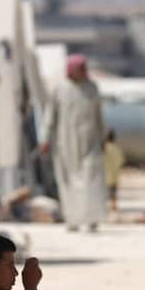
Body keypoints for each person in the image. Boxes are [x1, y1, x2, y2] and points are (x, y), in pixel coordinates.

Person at [39, 54, 107, 232]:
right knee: (68, 182)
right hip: (65, 144)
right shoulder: (59, 89)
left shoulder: (92, 88)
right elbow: (49, 116)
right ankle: (73, 220)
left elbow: (99, 116)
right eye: (80, 69)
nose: (84, 72)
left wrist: (103, 138)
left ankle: (92, 219)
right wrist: (45, 139)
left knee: (92, 181)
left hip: (90, 143)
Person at [104, 130, 125, 214]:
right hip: (115, 174)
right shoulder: (117, 148)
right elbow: (121, 161)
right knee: (113, 191)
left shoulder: (104, 148)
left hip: (105, 174)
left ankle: (106, 207)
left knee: (105, 192)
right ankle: (114, 206)